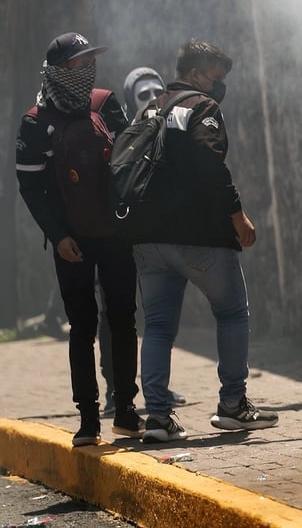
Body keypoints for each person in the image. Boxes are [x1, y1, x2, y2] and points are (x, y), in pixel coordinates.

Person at [133, 38, 277, 442]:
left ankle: (158, 417)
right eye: (215, 77)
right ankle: (233, 405)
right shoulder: (202, 107)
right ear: (194, 74)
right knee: (232, 313)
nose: (219, 86)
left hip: (148, 238)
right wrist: (237, 215)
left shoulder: (150, 108)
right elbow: (210, 164)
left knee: (158, 326)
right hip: (200, 236)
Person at [15, 32, 144, 446]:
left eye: (90, 62)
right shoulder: (35, 122)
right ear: (56, 70)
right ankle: (88, 419)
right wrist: (58, 236)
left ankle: (124, 408)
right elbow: (31, 187)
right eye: (77, 64)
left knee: (124, 319)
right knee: (82, 326)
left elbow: (128, 163)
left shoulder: (105, 103)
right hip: (71, 242)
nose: (86, 70)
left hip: (115, 234)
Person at [92, 67, 188, 417]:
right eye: (142, 94)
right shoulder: (120, 136)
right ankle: (116, 389)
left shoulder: (170, 134)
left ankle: (155, 387)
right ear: (131, 100)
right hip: (118, 241)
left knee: (158, 317)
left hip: (155, 241)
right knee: (116, 316)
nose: (150, 100)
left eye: (156, 92)